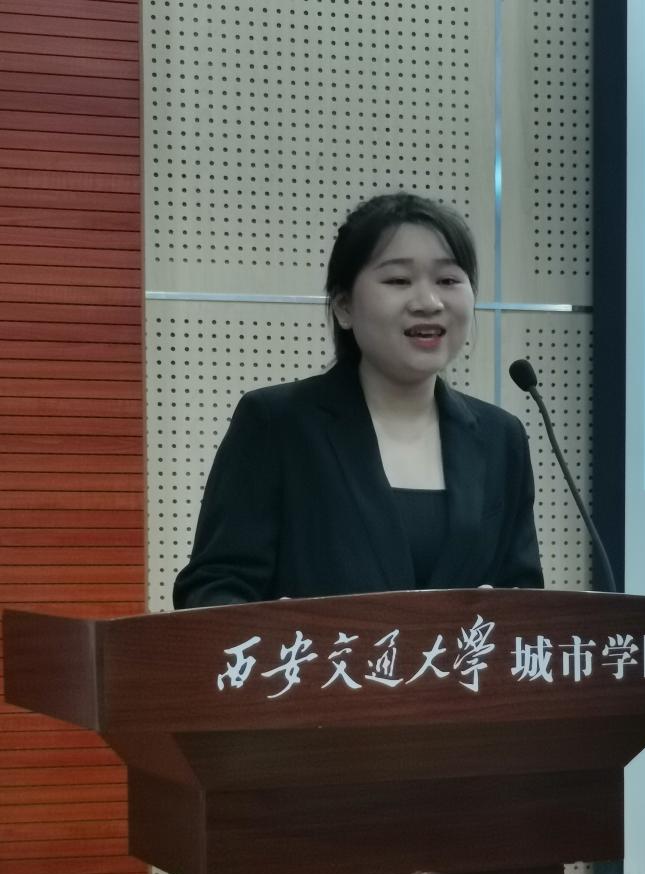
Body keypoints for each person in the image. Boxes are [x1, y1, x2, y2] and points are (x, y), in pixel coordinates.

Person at [172, 193, 544, 608]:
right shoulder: (278, 424)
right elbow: (212, 589)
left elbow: (528, 599)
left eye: (448, 280)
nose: (429, 302)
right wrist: (279, 630)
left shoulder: (500, 438)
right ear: (344, 307)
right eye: (398, 281)